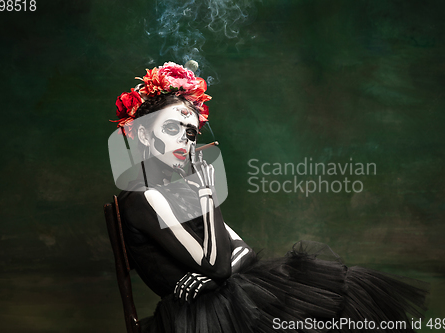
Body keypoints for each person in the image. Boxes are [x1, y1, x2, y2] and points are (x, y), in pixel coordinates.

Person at [111, 61, 428, 333]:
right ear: (142, 133)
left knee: (345, 291)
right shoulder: (146, 195)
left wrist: (210, 276)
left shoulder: (178, 189)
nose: (186, 140)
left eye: (191, 132)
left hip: (218, 296)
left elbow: (242, 252)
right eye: (171, 128)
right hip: (198, 318)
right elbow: (218, 265)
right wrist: (208, 193)